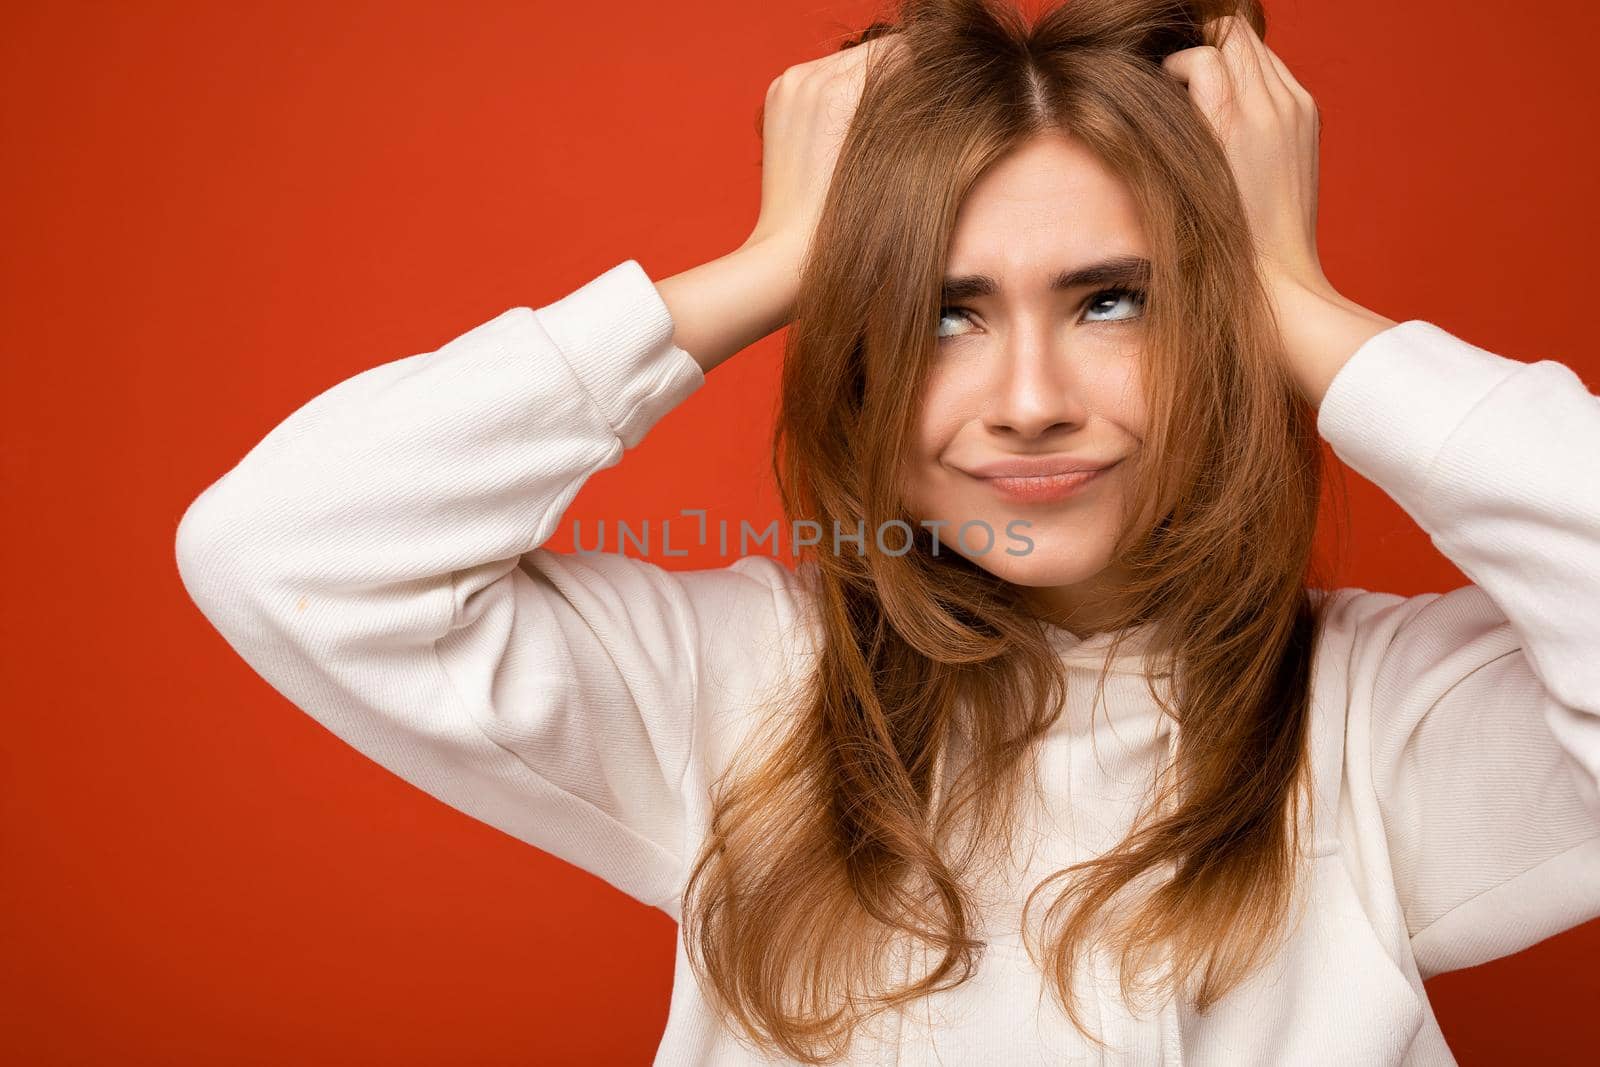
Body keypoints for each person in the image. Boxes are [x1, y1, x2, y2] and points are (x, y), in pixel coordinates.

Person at [173, 0, 1600, 1062]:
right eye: (939, 312)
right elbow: (285, 547)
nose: (1029, 403)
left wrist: (1288, 295)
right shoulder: (732, 692)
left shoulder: (1391, 728)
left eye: (1116, 299)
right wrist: (774, 262)